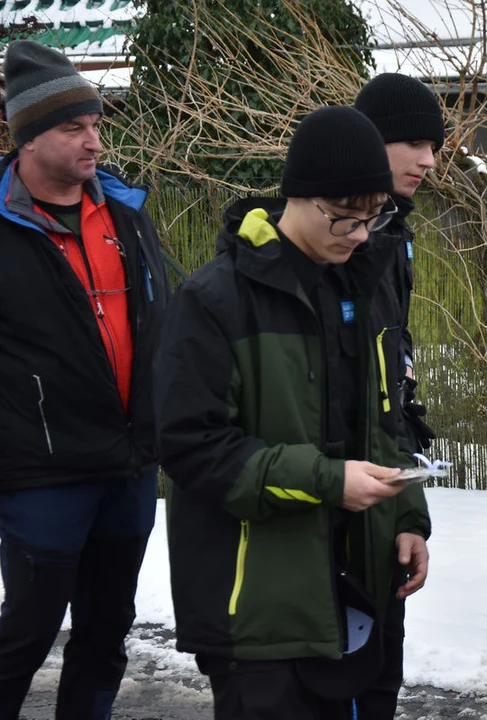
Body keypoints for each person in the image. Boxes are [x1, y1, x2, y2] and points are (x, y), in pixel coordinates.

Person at [154, 106, 431, 719]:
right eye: (344, 218)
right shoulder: (214, 299)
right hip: (262, 609)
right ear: (297, 198)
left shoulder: (367, 284)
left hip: (366, 590)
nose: (360, 234)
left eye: (372, 217)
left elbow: (391, 419)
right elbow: (190, 445)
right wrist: (327, 481)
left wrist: (408, 515)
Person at [0, 40, 171, 719]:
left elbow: (162, 324)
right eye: (74, 127)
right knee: (28, 628)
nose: (93, 140)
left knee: (106, 632)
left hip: (129, 467)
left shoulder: (126, 215)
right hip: (42, 473)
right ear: (29, 139)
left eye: (96, 124)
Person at [350, 73, 444, 718]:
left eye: (433, 144)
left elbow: (392, 388)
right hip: (332, 501)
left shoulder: (395, 233)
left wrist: (408, 512)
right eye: (412, 142)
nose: (429, 160)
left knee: (383, 673)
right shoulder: (328, 242)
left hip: (383, 493)